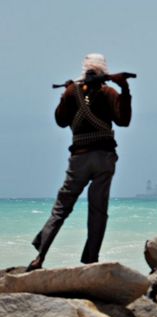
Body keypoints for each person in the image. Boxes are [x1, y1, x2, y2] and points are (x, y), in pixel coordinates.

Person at [27, 53, 132, 271]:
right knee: (98, 210)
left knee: (61, 209)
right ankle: (90, 259)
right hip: (104, 159)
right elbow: (124, 121)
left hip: (79, 159)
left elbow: (60, 120)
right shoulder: (108, 91)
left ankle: (40, 257)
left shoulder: (72, 91)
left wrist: (66, 94)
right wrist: (125, 90)